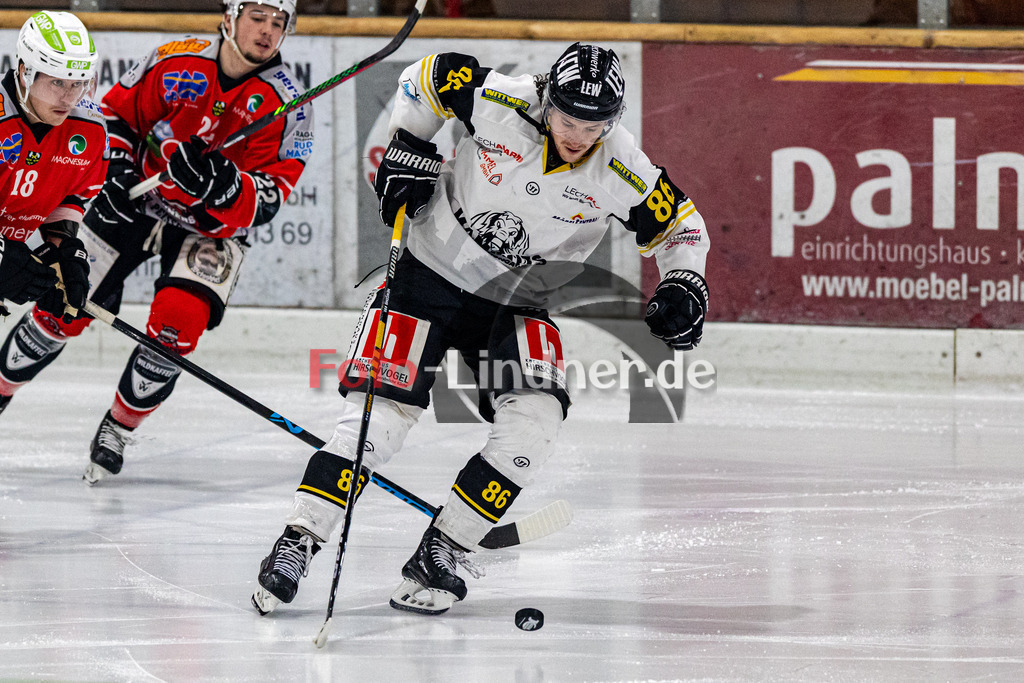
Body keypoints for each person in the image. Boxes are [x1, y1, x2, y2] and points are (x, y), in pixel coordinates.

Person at [250, 43, 711, 617]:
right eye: (567, 118)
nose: (576, 134)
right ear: (546, 99)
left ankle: (441, 552)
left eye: (593, 125)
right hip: (427, 273)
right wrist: (408, 142)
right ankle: (300, 538)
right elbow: (431, 74)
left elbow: (682, 228)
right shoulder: (501, 99)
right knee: (378, 421)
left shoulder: (621, 165)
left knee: (536, 421)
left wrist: (684, 283)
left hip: (516, 300)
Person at [0, 0, 314, 483]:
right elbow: (114, 120)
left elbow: (269, 199)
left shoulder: (292, 104)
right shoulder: (172, 59)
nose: (267, 30)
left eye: (279, 22)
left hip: (210, 226)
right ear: (229, 17)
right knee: (61, 306)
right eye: (257, 16)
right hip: (132, 203)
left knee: (177, 324)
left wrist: (225, 186)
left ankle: (118, 428)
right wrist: (120, 171)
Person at [0, 10, 103, 396]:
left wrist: (63, 248)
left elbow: (69, 196)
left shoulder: (89, 129)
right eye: (57, 81)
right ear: (25, 72)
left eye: (78, 83)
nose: (68, 97)